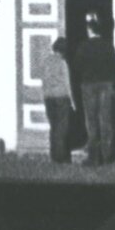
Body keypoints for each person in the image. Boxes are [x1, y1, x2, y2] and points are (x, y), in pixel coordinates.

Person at [68, 14, 115, 166]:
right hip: (106, 86)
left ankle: (93, 158)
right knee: (106, 120)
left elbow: (76, 67)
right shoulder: (108, 45)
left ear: (89, 30)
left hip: (88, 86)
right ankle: (108, 157)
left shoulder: (83, 46)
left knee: (92, 121)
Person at [43, 37, 77, 165]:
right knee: (62, 129)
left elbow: (44, 80)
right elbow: (67, 84)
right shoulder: (63, 63)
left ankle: (54, 156)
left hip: (49, 98)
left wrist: (45, 96)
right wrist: (73, 102)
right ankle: (61, 158)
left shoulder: (46, 62)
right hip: (62, 97)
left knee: (54, 127)